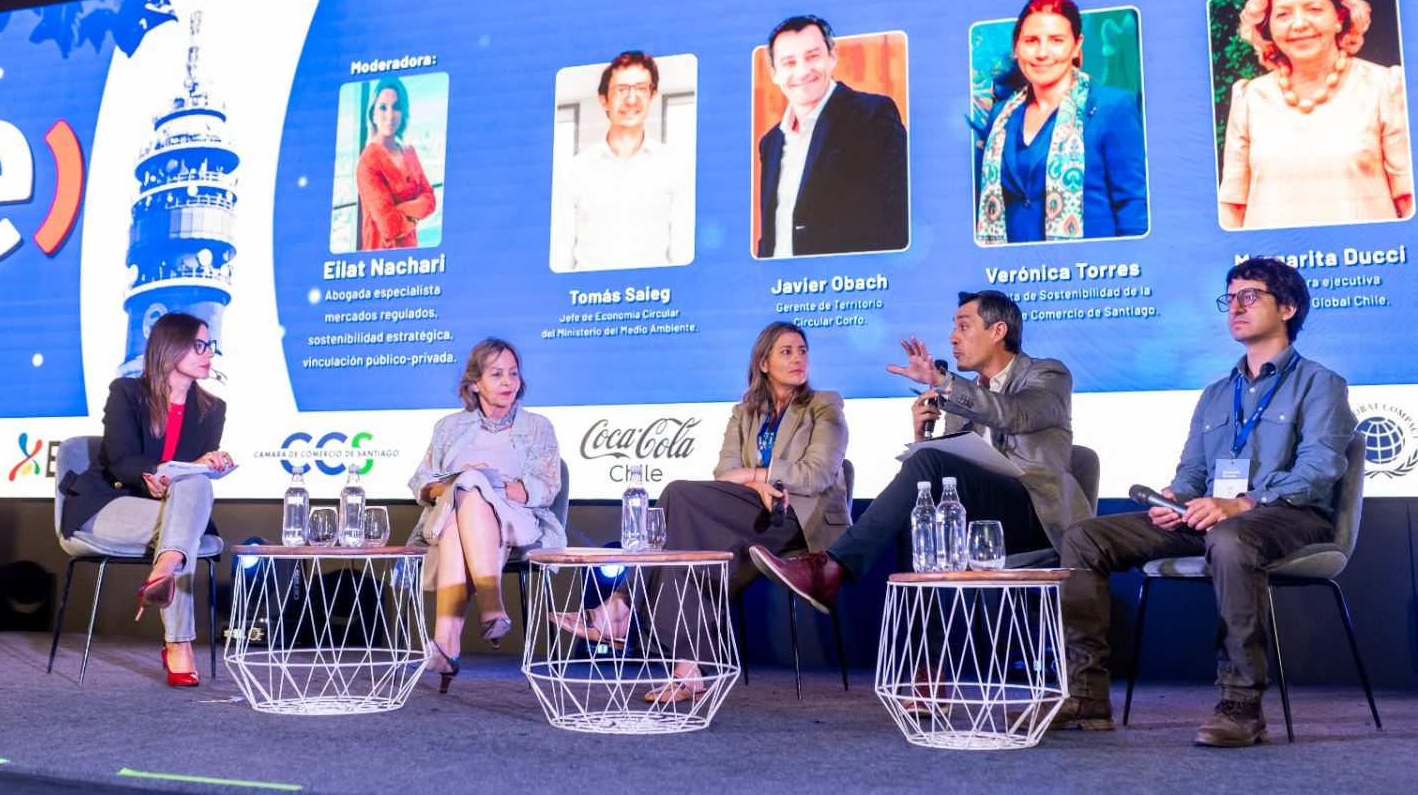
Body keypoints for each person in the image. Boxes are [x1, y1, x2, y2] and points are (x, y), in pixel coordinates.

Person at [1052, 257, 1355, 747]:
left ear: (1288, 308)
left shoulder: (1320, 383)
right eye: (1229, 298)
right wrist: (1176, 497)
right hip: (1213, 517)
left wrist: (1245, 503)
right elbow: (1194, 472)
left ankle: (1242, 704)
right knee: (1086, 536)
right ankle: (1086, 696)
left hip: (1290, 516)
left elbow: (1318, 470)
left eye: (1250, 296)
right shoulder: (1216, 394)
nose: (1235, 307)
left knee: (1231, 538)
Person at [552, 322, 849, 701]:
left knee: (677, 496)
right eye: (786, 352)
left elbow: (816, 474)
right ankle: (685, 668)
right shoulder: (745, 413)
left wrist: (754, 474)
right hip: (753, 512)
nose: (797, 359)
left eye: (802, 351)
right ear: (763, 363)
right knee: (686, 543)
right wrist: (754, 485)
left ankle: (623, 608)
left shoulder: (824, 405)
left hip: (799, 521)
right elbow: (725, 473)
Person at [752, 290, 1090, 614]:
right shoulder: (961, 396)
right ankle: (923, 647)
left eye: (963, 327)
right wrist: (920, 436)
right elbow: (951, 466)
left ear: (998, 331)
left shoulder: (1047, 374)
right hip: (976, 517)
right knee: (920, 501)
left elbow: (1018, 415)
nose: (953, 338)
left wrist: (945, 384)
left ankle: (831, 569)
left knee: (928, 470)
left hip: (1035, 519)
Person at [59, 312, 234, 687]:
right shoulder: (127, 392)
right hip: (110, 502)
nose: (209, 353)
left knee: (196, 485)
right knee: (183, 535)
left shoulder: (213, 409)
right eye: (199, 345)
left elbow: (189, 479)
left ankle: (163, 570)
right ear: (170, 347)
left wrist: (207, 462)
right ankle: (177, 642)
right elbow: (120, 461)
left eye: (210, 346)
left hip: (173, 511)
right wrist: (155, 472)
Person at [407, 338, 565, 692]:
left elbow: (545, 487)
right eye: (497, 374)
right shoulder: (448, 427)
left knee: (473, 487)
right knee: (463, 495)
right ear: (475, 383)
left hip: (514, 519)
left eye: (513, 373)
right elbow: (422, 484)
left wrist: (490, 484)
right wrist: (456, 485)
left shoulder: (537, 426)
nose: (509, 381)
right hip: (451, 515)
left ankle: (446, 643)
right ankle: (489, 606)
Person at [1218, 0, 1413, 229]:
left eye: (1314, 9)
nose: (1299, 24)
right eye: (1283, 14)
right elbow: (1232, 209)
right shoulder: (1249, 98)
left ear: (1340, 16)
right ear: (1267, 26)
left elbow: (1409, 199)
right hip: (1272, 257)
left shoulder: (1384, 87)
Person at [975, 0, 1148, 244]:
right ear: (1016, 45)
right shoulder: (1001, 115)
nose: (1042, 53)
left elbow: (1133, 205)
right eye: (1031, 41)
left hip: (1088, 265)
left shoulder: (1111, 107)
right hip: (1011, 266)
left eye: (1056, 40)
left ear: (1077, 45)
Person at [755, 16, 909, 258]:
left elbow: (896, 216)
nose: (802, 71)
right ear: (774, 72)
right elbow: (772, 231)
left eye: (812, 56)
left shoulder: (872, 115)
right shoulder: (770, 143)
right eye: (789, 62)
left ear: (832, 56)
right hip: (782, 281)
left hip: (847, 279)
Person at [551, 51, 694, 271]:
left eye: (641, 88)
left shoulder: (675, 167)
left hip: (654, 291)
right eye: (621, 90)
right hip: (588, 291)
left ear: (652, 96)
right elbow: (560, 256)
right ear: (604, 101)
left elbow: (682, 254)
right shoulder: (574, 171)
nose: (631, 99)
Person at [356, 76, 437, 249]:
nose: (390, 115)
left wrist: (400, 211)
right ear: (373, 114)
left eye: (396, 107)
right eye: (383, 108)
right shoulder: (368, 161)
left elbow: (430, 200)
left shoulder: (409, 152)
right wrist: (416, 215)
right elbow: (389, 227)